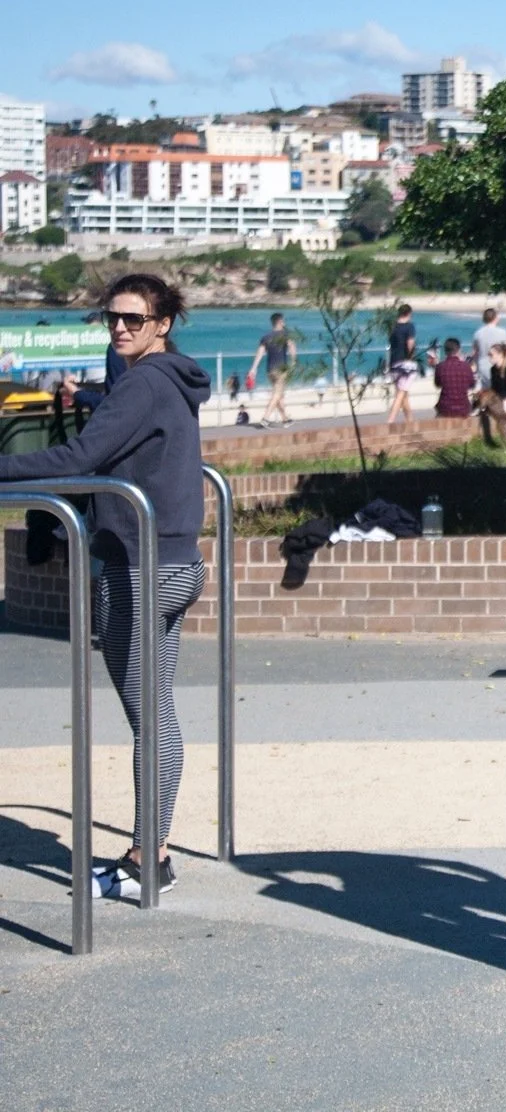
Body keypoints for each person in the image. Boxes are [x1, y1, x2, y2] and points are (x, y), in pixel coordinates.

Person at [0, 274, 211, 900]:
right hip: (174, 562)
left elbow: (77, 457)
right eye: (111, 318)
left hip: (142, 568)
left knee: (150, 716)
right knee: (156, 710)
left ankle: (150, 857)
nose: (119, 328)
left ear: (161, 324)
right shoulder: (172, 377)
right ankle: (152, 853)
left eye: (133, 319)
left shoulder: (144, 381)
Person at [249, 312, 295, 427]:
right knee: (277, 394)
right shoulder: (285, 334)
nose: (284, 323)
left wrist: (254, 368)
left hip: (270, 370)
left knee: (279, 395)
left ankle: (285, 419)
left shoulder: (266, 337)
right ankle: (266, 418)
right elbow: (291, 347)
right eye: (283, 321)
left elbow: (260, 353)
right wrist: (293, 362)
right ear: (279, 322)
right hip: (281, 369)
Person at [477, 342, 506, 445]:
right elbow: (494, 389)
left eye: (491, 355)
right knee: (484, 405)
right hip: (498, 400)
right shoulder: (493, 370)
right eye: (488, 354)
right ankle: (503, 435)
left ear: (500, 355)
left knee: (493, 408)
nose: (489, 357)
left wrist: (497, 397)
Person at [386, 302, 419, 425]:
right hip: (405, 363)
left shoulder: (393, 327)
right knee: (400, 393)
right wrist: (411, 356)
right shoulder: (409, 327)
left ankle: (410, 421)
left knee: (403, 394)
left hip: (393, 362)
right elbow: (410, 343)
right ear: (409, 313)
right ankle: (390, 421)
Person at [433, 335, 477, 420]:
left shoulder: (440, 367)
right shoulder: (466, 366)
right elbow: (472, 385)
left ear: (445, 351)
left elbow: (437, 384)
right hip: (464, 408)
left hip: (445, 408)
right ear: (459, 350)